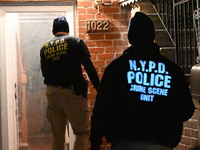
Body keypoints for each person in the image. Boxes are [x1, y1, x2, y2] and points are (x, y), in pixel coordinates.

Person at [89, 12, 195, 150]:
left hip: (124, 142)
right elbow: (186, 109)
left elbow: (101, 109)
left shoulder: (117, 67)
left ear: (130, 37)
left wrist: (95, 143)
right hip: (162, 143)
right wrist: (165, 120)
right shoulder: (172, 69)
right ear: (153, 36)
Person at [40, 16, 100, 150]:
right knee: (82, 132)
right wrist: (100, 89)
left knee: (58, 136)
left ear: (54, 30)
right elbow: (89, 67)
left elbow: (45, 73)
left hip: (52, 93)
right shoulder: (75, 42)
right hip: (72, 93)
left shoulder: (44, 47)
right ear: (67, 29)